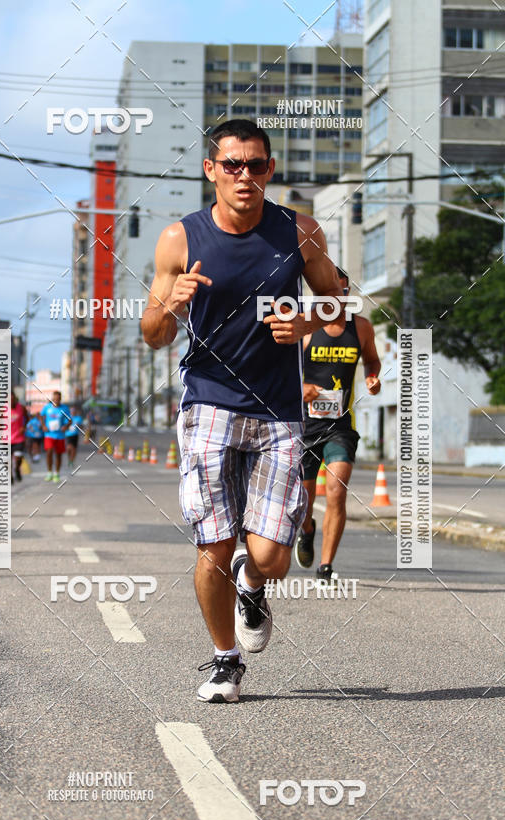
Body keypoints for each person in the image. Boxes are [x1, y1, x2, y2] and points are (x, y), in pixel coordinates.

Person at [141, 118, 342, 703]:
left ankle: (254, 586)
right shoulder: (180, 240)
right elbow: (152, 334)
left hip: (279, 411)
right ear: (212, 170)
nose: (245, 176)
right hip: (208, 403)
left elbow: (336, 301)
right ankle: (224, 660)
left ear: (269, 170)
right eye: (233, 165)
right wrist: (171, 307)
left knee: (271, 558)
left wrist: (310, 321)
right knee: (213, 545)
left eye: (256, 165)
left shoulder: (300, 232)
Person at [294, 267, 381, 580]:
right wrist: (300, 388)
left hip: (340, 426)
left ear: (347, 294)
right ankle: (307, 530)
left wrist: (373, 377)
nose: (334, 297)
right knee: (303, 501)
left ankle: (326, 566)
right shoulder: (303, 330)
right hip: (304, 426)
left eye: (341, 292)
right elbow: (279, 372)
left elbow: (372, 359)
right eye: (326, 292)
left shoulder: (362, 328)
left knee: (336, 490)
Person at [40, 391, 71, 483]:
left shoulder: (64, 408)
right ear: (52, 399)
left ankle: (56, 473)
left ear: (60, 399)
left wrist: (66, 426)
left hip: (60, 435)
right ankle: (49, 472)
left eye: (58, 399)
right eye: (54, 399)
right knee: (49, 451)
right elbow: (41, 416)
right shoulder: (47, 408)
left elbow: (70, 420)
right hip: (49, 434)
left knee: (58, 454)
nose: (56, 401)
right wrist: (43, 426)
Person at [9, 390, 28, 484]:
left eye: (12, 399)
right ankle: (10, 476)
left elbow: (27, 418)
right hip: (5, 439)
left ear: (15, 399)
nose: (11, 402)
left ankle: (17, 469)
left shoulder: (22, 408)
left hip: (18, 438)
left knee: (18, 458)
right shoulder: (2, 409)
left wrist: (24, 427)